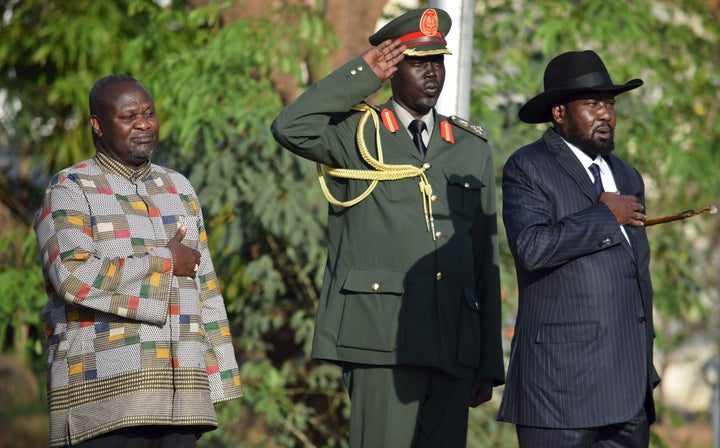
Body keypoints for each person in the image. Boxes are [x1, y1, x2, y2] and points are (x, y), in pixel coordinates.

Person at [271, 8, 504, 448]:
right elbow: (289, 127)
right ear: (394, 68)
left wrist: (488, 362)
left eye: (438, 61)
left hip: (454, 344)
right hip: (379, 338)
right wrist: (362, 73)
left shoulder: (470, 148)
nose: (432, 73)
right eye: (419, 62)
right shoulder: (358, 133)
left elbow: (483, 259)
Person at [33, 74, 243, 448]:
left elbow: (205, 282)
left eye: (148, 113)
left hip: (181, 396)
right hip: (105, 400)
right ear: (98, 126)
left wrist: (218, 378)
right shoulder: (69, 188)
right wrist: (164, 261)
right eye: (128, 117)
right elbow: (72, 275)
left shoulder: (178, 187)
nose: (143, 124)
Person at [497, 50, 660, 447]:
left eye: (609, 103)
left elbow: (634, 274)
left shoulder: (626, 175)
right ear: (559, 113)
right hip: (559, 393)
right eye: (591, 104)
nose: (605, 113)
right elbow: (532, 248)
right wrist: (606, 217)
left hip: (627, 392)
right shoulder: (529, 166)